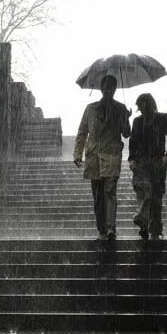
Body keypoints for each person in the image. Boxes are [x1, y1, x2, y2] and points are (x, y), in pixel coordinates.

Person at [73, 75, 131, 240]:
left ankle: (111, 228)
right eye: (105, 86)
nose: (108, 90)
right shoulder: (91, 109)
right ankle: (101, 229)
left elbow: (126, 134)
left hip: (112, 155)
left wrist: (126, 118)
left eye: (111, 87)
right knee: (98, 196)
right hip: (94, 156)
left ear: (115, 89)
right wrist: (77, 152)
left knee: (110, 192)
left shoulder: (121, 109)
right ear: (101, 88)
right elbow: (82, 131)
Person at [128, 93, 167, 240]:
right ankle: (144, 226)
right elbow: (132, 142)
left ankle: (155, 228)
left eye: (142, 107)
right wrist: (131, 160)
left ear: (149, 105)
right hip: (141, 163)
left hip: (157, 163)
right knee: (143, 194)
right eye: (139, 108)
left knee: (156, 196)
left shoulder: (162, 118)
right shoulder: (137, 122)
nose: (141, 110)